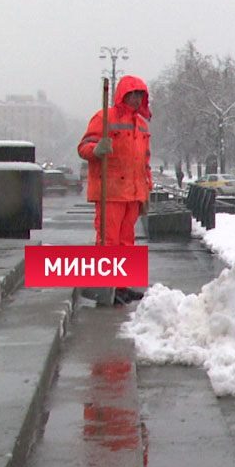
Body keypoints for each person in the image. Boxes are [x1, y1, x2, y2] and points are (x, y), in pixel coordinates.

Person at [77, 75, 152, 305]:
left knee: (127, 242)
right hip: (110, 191)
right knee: (108, 241)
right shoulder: (104, 118)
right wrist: (96, 149)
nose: (137, 98)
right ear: (123, 95)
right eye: (134, 94)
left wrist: (147, 190)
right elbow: (84, 148)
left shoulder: (141, 124)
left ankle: (121, 286)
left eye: (141, 94)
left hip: (133, 192)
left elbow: (145, 161)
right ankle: (106, 288)